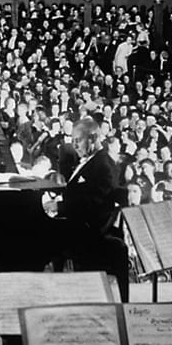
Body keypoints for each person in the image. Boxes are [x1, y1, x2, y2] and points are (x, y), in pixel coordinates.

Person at [43, 114, 128, 297]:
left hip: (90, 231)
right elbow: (82, 192)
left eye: (78, 140)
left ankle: (51, 294)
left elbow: (94, 201)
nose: (74, 146)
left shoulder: (103, 164)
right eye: (72, 140)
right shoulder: (92, 161)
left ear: (94, 138)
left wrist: (61, 207)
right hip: (81, 224)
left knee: (39, 238)